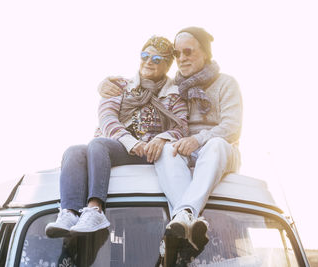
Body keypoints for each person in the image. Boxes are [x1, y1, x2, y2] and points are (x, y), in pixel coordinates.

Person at [98, 27, 242, 251]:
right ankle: (187, 222)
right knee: (166, 150)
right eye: (177, 54)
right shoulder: (174, 87)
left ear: (205, 53)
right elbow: (140, 85)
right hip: (184, 149)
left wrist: (198, 139)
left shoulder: (226, 83)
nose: (182, 58)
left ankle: (185, 212)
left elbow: (231, 127)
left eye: (188, 52)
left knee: (216, 145)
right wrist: (106, 84)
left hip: (220, 150)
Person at [45, 36, 188, 238]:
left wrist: (162, 138)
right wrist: (131, 142)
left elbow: (181, 127)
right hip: (121, 145)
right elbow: (107, 117)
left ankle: (95, 209)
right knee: (74, 151)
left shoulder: (174, 95)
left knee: (98, 145)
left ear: (167, 65)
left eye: (156, 59)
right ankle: (69, 212)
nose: (148, 62)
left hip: (147, 152)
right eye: (145, 55)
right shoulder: (120, 85)